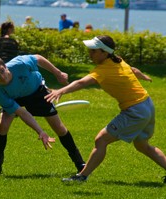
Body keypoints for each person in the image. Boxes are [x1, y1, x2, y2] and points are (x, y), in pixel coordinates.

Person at [45, 35, 166, 183]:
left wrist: (60, 91)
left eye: (94, 51)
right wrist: (143, 76)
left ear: (105, 52)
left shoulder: (103, 70)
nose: (90, 53)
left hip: (135, 111)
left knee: (101, 140)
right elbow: (133, 70)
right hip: (147, 104)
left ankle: (82, 176)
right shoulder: (118, 60)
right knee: (143, 146)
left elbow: (82, 82)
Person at [0, 54, 85, 175]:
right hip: (14, 97)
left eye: (2, 71)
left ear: (6, 67)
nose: (2, 76)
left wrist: (58, 73)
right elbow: (22, 113)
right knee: (2, 125)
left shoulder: (21, 64)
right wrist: (40, 131)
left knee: (59, 127)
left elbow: (38, 58)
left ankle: (80, 163)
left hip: (36, 91)